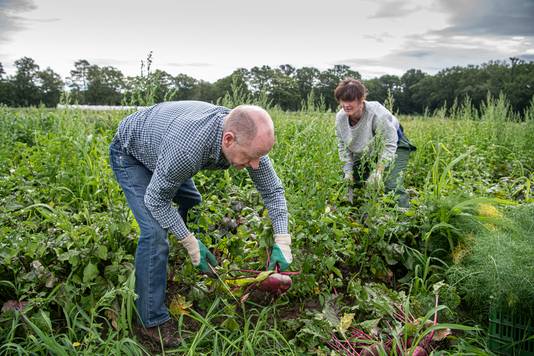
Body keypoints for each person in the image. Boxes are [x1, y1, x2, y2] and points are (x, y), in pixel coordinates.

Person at [109, 101, 292, 347]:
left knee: (192, 201)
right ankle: (151, 322)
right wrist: (191, 243)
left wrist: (282, 240)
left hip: (163, 147)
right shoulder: (187, 150)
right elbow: (156, 200)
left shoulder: (245, 138)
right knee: (154, 232)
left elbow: (272, 190)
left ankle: (176, 257)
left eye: (260, 156)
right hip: (132, 152)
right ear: (228, 140)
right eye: (251, 157)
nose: (256, 165)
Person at [334, 78, 416, 208]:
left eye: (350, 100)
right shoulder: (341, 118)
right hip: (370, 148)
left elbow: (390, 143)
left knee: (391, 184)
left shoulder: (377, 114)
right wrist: (348, 172)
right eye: (343, 100)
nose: (346, 105)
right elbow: (343, 146)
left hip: (396, 144)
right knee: (350, 180)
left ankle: (404, 218)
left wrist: (378, 170)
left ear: (361, 100)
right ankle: (351, 208)